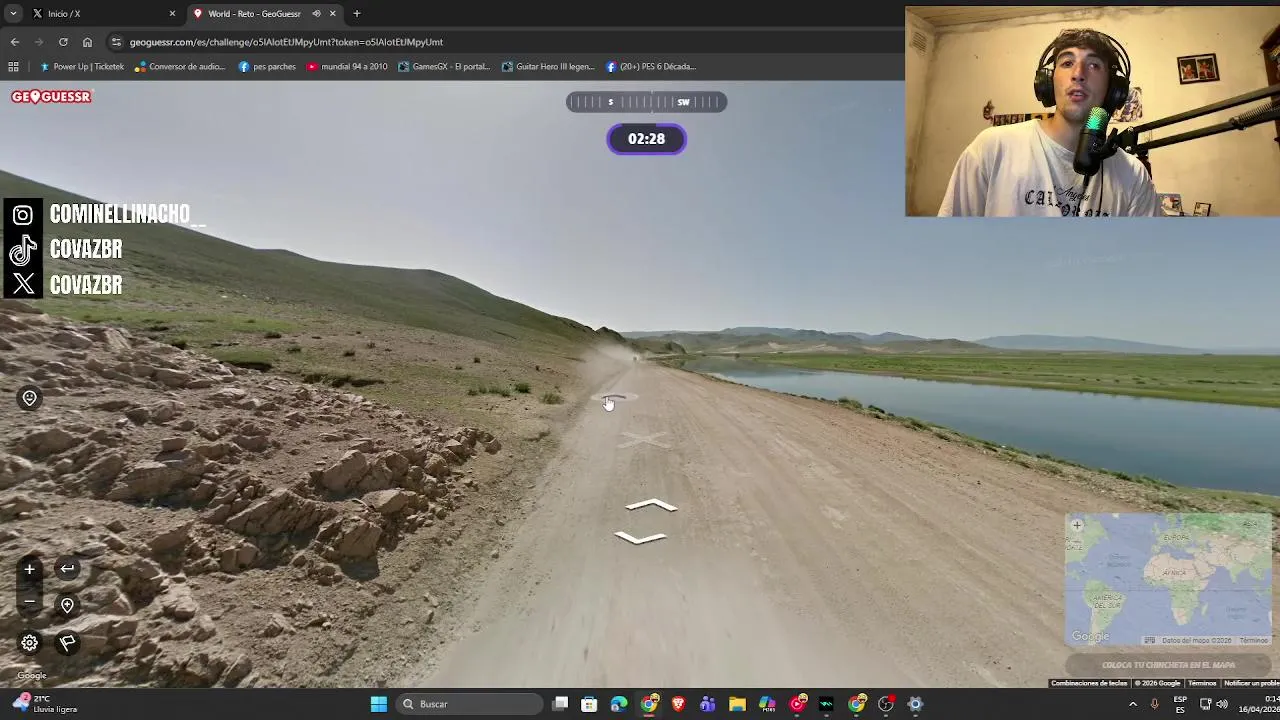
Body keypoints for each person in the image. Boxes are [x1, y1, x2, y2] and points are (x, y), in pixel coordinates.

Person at [938, 28, 1160, 217]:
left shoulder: (1133, 176)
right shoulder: (992, 148)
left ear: (1113, 90)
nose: (1078, 74)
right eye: (1067, 63)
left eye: (1093, 65)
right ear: (1047, 82)